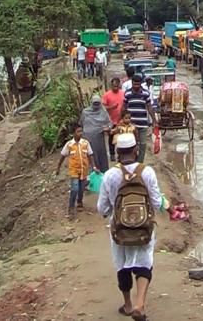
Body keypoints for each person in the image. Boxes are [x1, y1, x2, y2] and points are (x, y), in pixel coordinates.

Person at [97, 133, 161, 321]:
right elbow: (157, 203)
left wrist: (111, 212)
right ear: (136, 150)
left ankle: (127, 305)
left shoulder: (110, 175)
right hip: (144, 229)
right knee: (144, 263)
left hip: (119, 230)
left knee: (122, 265)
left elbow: (102, 208)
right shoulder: (147, 172)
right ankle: (140, 305)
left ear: (117, 152)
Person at [56, 125, 96, 218]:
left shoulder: (85, 143)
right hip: (74, 170)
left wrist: (93, 166)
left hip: (84, 170)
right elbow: (62, 156)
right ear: (73, 133)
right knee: (75, 188)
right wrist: (58, 168)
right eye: (78, 131)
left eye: (81, 131)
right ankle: (71, 207)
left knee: (82, 188)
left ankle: (79, 201)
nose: (80, 133)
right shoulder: (69, 145)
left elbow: (90, 155)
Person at [123, 75, 156, 163]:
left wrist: (154, 121)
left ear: (141, 83)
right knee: (131, 144)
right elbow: (124, 108)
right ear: (132, 83)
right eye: (134, 84)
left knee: (143, 145)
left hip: (142, 124)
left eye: (138, 84)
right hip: (131, 125)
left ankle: (140, 163)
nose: (136, 86)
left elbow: (149, 107)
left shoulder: (146, 93)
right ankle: (132, 161)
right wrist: (121, 120)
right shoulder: (127, 93)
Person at [80, 95, 112, 173]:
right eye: (95, 103)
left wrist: (108, 128)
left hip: (99, 137)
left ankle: (103, 173)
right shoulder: (85, 112)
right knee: (90, 155)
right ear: (91, 103)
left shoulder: (103, 111)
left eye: (98, 103)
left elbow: (109, 123)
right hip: (88, 138)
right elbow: (81, 124)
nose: (96, 105)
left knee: (101, 156)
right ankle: (92, 173)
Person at [102, 78, 125, 159]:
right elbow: (103, 107)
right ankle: (112, 154)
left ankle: (121, 154)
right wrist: (111, 107)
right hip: (111, 120)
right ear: (111, 85)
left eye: (117, 86)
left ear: (119, 85)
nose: (115, 88)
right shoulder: (107, 95)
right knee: (111, 137)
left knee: (121, 137)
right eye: (114, 86)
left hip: (121, 120)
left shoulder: (123, 93)